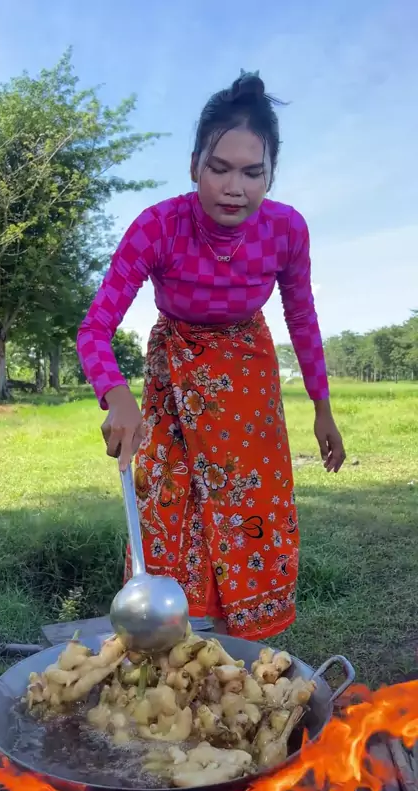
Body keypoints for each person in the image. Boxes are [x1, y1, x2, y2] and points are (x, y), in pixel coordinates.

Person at [77, 71, 346, 641]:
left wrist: (322, 407)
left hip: (248, 382)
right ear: (194, 164)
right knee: (166, 507)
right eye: (219, 168)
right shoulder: (158, 227)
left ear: (271, 174)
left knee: (249, 514)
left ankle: (236, 651)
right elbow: (95, 327)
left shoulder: (286, 230)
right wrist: (118, 398)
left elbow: (302, 319)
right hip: (172, 377)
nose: (234, 187)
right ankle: (166, 635)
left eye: (252, 172)